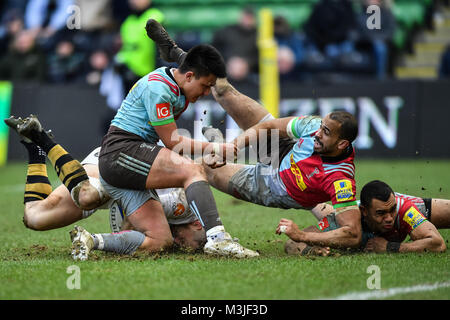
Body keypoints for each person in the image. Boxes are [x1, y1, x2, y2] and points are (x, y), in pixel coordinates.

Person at [146, 19, 362, 250]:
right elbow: (268, 127)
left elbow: (352, 233)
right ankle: (179, 56)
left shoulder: (340, 179)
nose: (317, 134)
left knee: (200, 169)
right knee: (224, 91)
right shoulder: (314, 125)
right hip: (282, 149)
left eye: (326, 133)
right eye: (321, 127)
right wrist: (234, 148)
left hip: (273, 185)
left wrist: (304, 237)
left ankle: (158, 214)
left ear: (341, 145)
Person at [99, 22, 259, 259]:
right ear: (190, 76)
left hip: (133, 153)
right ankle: (218, 239)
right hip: (121, 153)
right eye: (205, 87)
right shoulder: (159, 90)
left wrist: (175, 52)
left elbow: (194, 70)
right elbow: (173, 142)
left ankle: (92, 241)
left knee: (159, 241)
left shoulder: (181, 81)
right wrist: (217, 146)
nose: (206, 94)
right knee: (192, 171)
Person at [4, 117, 207, 257]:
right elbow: (130, 218)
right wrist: (128, 241)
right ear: (197, 225)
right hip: (122, 165)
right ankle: (44, 141)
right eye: (194, 245)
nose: (182, 245)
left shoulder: (177, 220)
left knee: (34, 218)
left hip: (121, 187)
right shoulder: (182, 205)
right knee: (87, 196)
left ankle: (36, 150)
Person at [283, 180, 448, 255]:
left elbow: (438, 244)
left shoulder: (404, 211)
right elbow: (291, 243)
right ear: (364, 211)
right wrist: (310, 250)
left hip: (413, 204)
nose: (390, 218)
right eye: (381, 214)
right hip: (344, 210)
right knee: (324, 210)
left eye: (392, 210)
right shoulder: (347, 221)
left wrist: (391, 247)